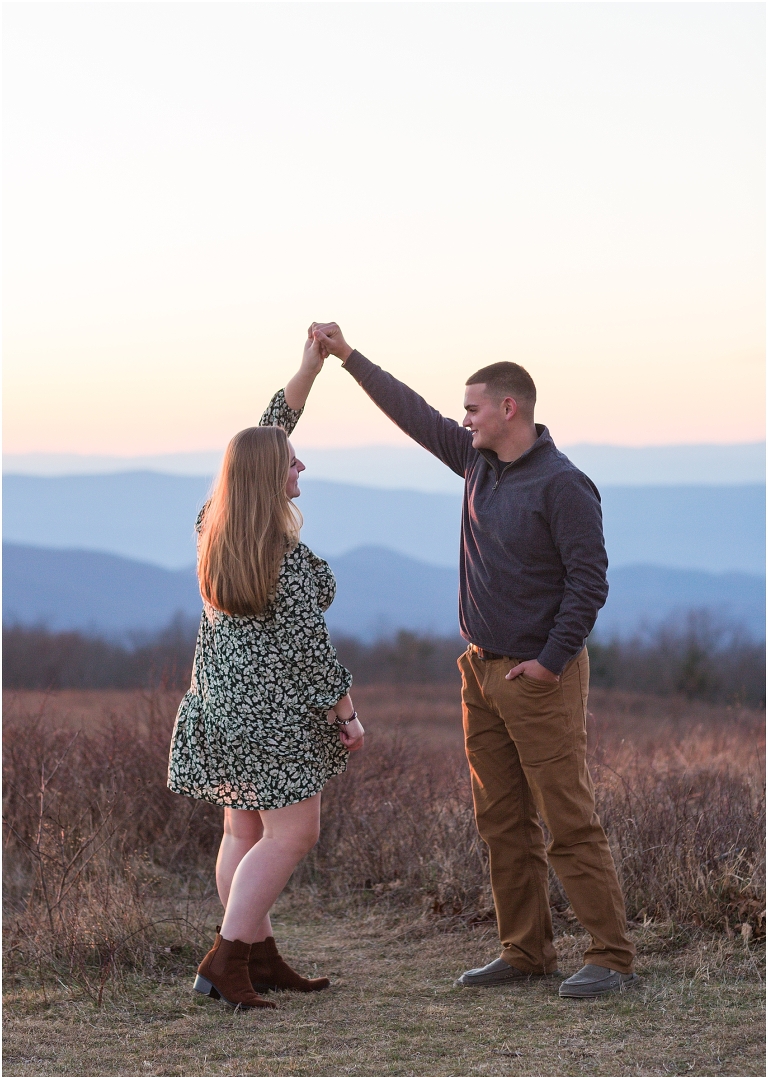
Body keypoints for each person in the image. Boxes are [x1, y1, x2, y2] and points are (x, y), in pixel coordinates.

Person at [310, 322, 637, 999]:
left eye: (473, 408)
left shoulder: (564, 485)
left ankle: (611, 954)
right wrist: (346, 357)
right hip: (480, 671)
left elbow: (589, 582)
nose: (463, 420)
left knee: (566, 814)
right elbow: (414, 415)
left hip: (538, 676)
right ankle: (525, 951)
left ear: (509, 408)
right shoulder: (478, 463)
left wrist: (549, 662)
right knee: (500, 819)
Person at [168, 331, 364, 1010]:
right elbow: (314, 654)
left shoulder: (214, 529)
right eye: (291, 463)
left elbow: (265, 432)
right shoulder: (284, 559)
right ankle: (226, 959)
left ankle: (260, 956)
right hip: (273, 721)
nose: (300, 465)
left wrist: (308, 371)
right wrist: (348, 714)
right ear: (267, 477)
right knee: (294, 832)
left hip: (217, 707)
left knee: (242, 832)